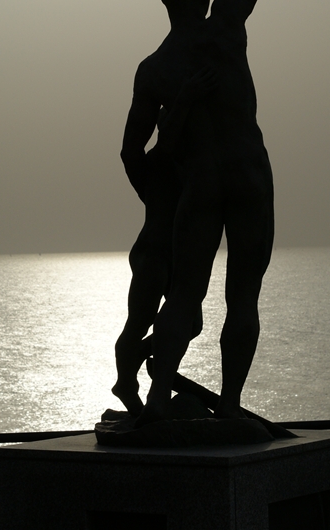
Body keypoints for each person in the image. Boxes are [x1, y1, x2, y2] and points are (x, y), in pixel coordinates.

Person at [120, 0, 273, 425]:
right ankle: (229, 406)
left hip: (201, 185)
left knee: (186, 294)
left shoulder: (154, 69)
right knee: (243, 297)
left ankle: (158, 397)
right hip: (248, 175)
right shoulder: (225, 25)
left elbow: (131, 153)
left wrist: (158, 197)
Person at [112, 66, 217, 417]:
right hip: (153, 254)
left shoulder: (188, 165)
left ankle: (140, 357)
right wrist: (184, 98)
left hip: (177, 257)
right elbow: (151, 147)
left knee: (192, 323)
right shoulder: (159, 161)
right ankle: (126, 382)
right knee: (139, 321)